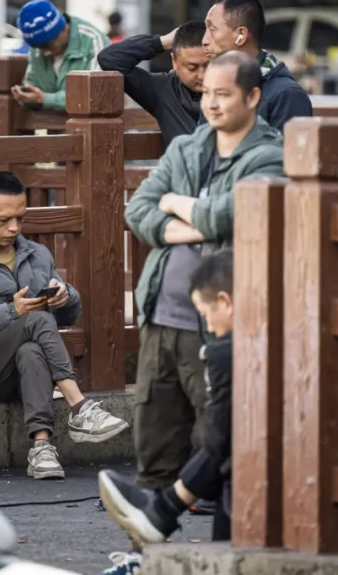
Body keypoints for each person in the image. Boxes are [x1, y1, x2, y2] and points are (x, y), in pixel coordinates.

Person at [124, 50, 283, 494]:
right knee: (154, 446)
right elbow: (137, 211)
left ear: (253, 97)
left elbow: (234, 215)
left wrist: (177, 204)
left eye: (223, 95)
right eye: (207, 94)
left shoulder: (270, 155)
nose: (211, 104)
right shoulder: (186, 147)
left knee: (222, 445)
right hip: (161, 314)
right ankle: (150, 546)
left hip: (218, 321)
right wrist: (187, 228)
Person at [0, 171, 129, 480]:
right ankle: (80, 409)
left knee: (30, 349)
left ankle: (41, 447)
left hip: (25, 368)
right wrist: (12, 311)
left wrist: (66, 298)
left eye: (20, 218)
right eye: (3, 220)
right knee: (33, 319)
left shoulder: (37, 254)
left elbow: (63, 319)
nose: (13, 228)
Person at [98, 250, 235, 548]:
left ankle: (161, 511)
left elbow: (219, 440)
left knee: (223, 446)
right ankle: (160, 511)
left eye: (207, 316)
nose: (209, 327)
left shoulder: (226, 351)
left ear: (226, 302)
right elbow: (141, 211)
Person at [202, 0, 312, 132]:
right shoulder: (213, 87)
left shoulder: (286, 95)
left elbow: (286, 152)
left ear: (241, 35)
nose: (204, 40)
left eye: (212, 30)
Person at [97, 21, 209, 145]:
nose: (202, 75)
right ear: (175, 63)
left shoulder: (232, 87)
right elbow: (109, 59)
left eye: (209, 65)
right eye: (192, 67)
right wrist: (161, 42)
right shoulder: (163, 91)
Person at [12, 0, 109, 111]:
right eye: (38, 47)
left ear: (63, 29)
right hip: (53, 126)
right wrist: (27, 96)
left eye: (47, 45)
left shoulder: (93, 41)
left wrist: (45, 99)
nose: (45, 52)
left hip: (95, 126)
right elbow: (33, 83)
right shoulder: (38, 47)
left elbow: (95, 95)